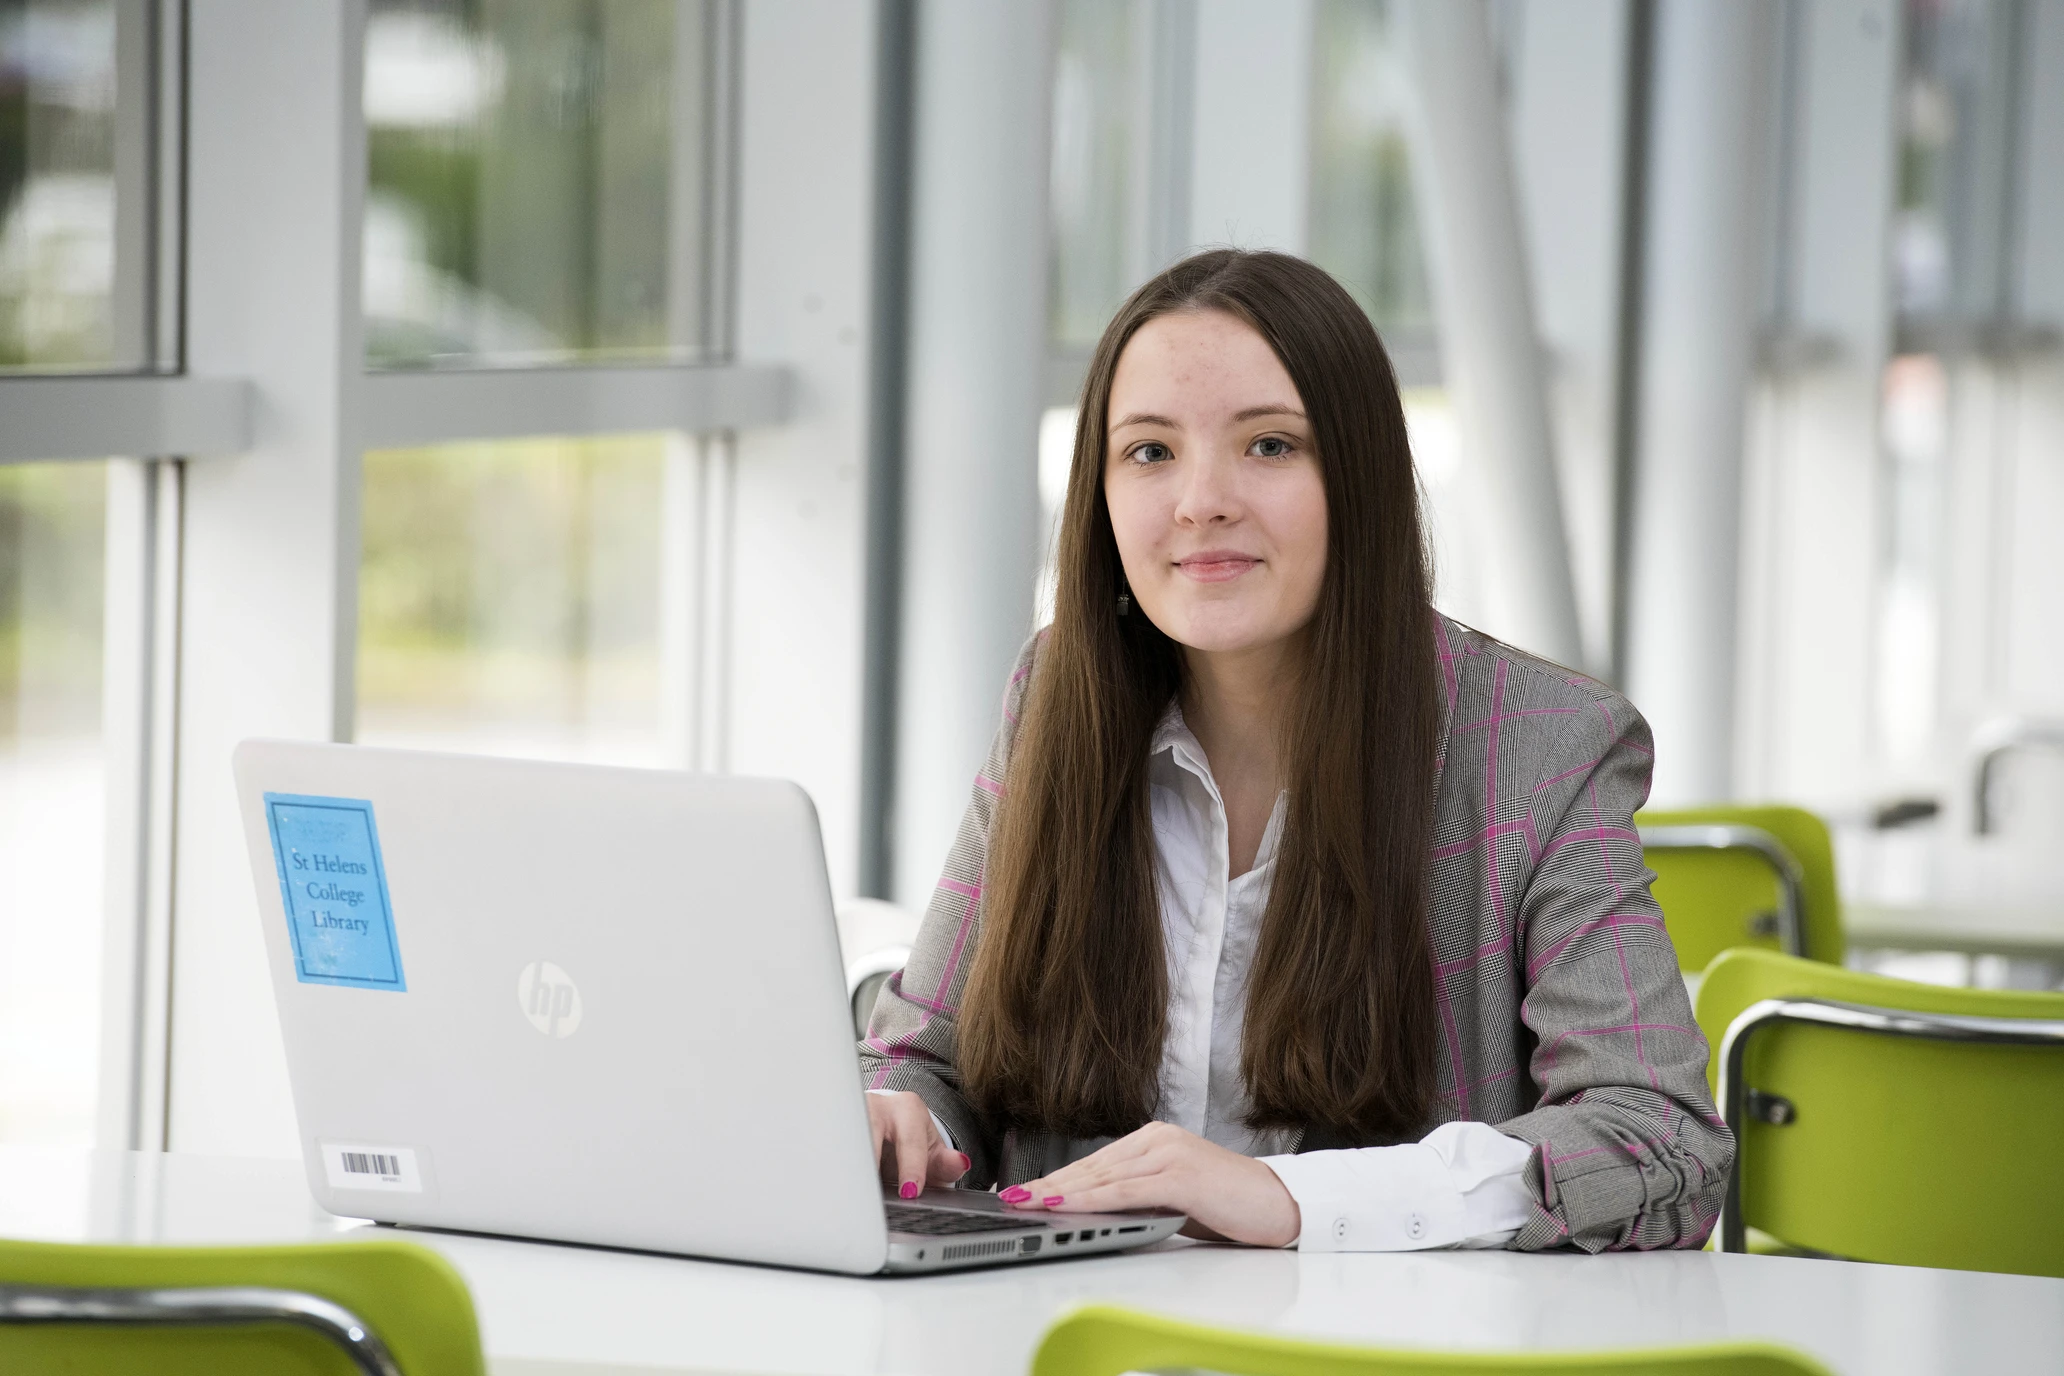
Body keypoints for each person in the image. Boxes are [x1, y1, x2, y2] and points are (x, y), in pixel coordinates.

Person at [858, 249, 1730, 1252]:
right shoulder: (1056, 697)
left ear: (1357, 477)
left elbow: (1658, 1141)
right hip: (1072, 1339)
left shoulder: (1540, 745)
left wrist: (1286, 1198)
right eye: (1149, 451)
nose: (1201, 501)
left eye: (1268, 446)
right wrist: (901, 1114)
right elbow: (928, 1058)